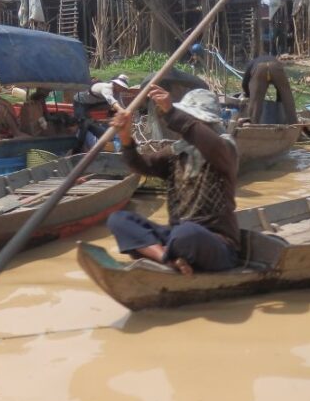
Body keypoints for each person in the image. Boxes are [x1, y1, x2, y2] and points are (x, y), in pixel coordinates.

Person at [107, 86, 239, 275]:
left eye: (191, 121)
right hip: (177, 240)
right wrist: (126, 138)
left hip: (216, 244)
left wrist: (171, 111)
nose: (182, 129)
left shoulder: (225, 149)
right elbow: (140, 164)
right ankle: (168, 260)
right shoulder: (177, 152)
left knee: (186, 233)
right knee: (118, 220)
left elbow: (207, 140)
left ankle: (169, 255)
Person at [72, 74, 130, 151]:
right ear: (115, 84)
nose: (122, 89)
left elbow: (120, 104)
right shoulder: (107, 87)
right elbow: (111, 101)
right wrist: (122, 111)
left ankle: (104, 138)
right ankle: (77, 150)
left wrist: (127, 111)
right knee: (84, 125)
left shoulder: (117, 93)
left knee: (92, 124)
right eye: (121, 86)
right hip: (80, 102)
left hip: (94, 103)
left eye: (123, 88)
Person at [241, 54, 298, 125]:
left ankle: (253, 124)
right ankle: (293, 123)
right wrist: (279, 100)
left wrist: (249, 95)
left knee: (255, 103)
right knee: (287, 96)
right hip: (275, 67)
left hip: (260, 69)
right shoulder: (274, 59)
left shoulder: (252, 63)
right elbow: (281, 90)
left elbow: (245, 83)